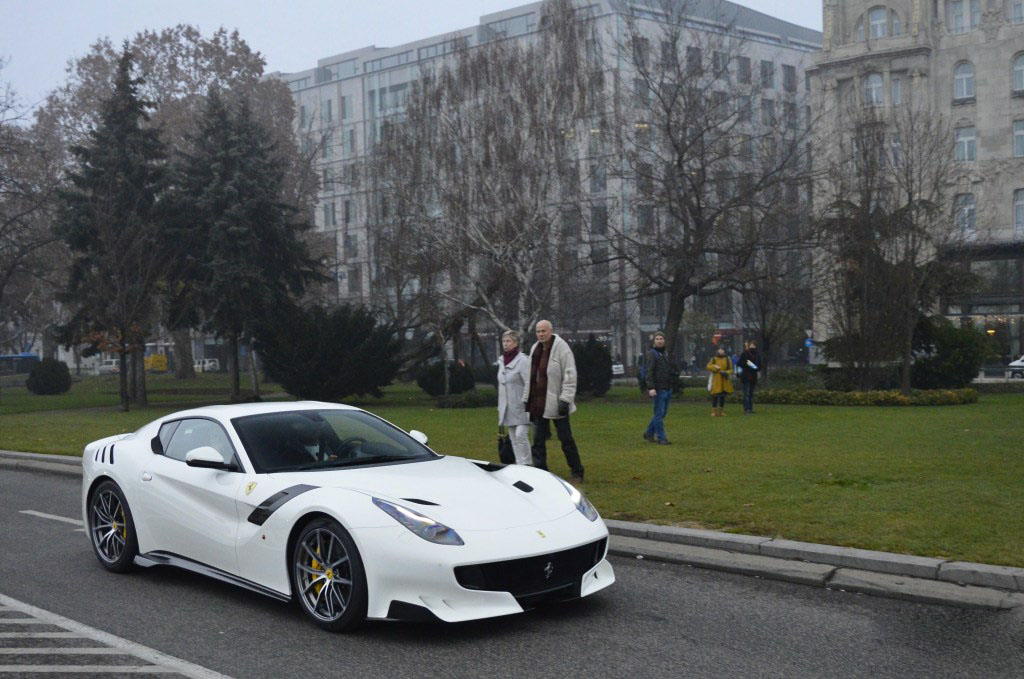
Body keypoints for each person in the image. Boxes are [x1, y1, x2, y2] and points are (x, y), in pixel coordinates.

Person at [522, 320, 584, 483]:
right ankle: (541, 472)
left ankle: (577, 471)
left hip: (557, 403)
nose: (541, 334)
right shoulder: (535, 349)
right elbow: (530, 377)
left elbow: (570, 375)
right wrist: (526, 398)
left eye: (543, 331)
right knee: (538, 441)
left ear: (550, 331)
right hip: (538, 402)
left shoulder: (562, 348)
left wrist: (565, 399)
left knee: (566, 439)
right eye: (538, 331)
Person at [497, 329, 532, 465]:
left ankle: (527, 463)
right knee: (512, 437)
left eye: (508, 341)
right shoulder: (501, 361)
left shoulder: (522, 360)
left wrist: (526, 401)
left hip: (522, 406)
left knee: (520, 435)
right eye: (504, 341)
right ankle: (519, 464)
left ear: (515, 343)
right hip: (507, 407)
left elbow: (529, 382)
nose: (505, 344)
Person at [641, 331, 673, 445]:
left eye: (661, 339)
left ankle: (649, 432)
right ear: (654, 341)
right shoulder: (652, 354)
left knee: (662, 413)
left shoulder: (665, 353)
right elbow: (649, 371)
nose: (659, 341)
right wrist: (651, 387)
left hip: (667, 387)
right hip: (658, 388)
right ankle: (661, 437)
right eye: (657, 339)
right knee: (659, 414)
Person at [706, 347, 734, 417]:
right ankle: (713, 412)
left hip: (725, 380)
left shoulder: (728, 359)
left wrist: (726, 372)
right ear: (717, 351)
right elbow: (708, 366)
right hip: (716, 380)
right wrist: (715, 368)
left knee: (722, 397)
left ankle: (721, 412)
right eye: (720, 350)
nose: (721, 351)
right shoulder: (714, 358)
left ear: (724, 351)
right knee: (715, 396)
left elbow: (731, 370)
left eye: (722, 350)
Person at [738, 340, 762, 414]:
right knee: (747, 393)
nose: (752, 346)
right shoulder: (744, 354)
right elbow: (739, 363)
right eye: (750, 345)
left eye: (753, 345)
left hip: (753, 376)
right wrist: (746, 364)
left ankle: (751, 408)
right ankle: (747, 409)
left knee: (751, 393)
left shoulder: (757, 355)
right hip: (746, 376)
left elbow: (760, 365)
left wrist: (756, 368)